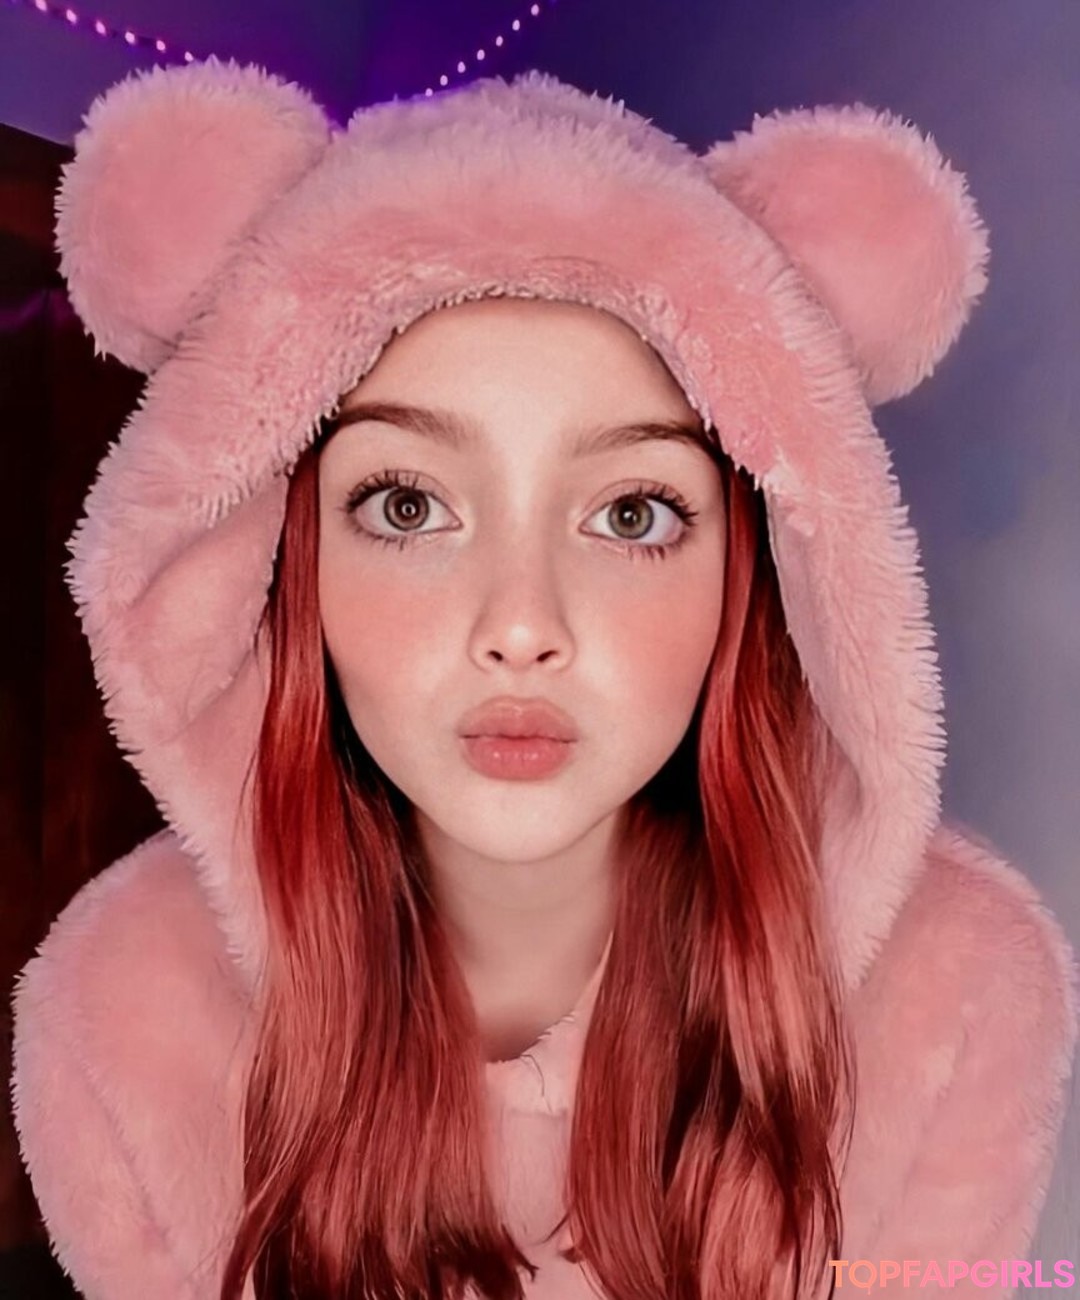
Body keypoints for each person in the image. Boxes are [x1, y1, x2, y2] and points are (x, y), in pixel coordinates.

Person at [10, 56, 1076, 1300]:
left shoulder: (955, 996)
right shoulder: (119, 1018)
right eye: (408, 505)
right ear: (282, 558)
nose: (521, 627)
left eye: (631, 513)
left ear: (757, 567)